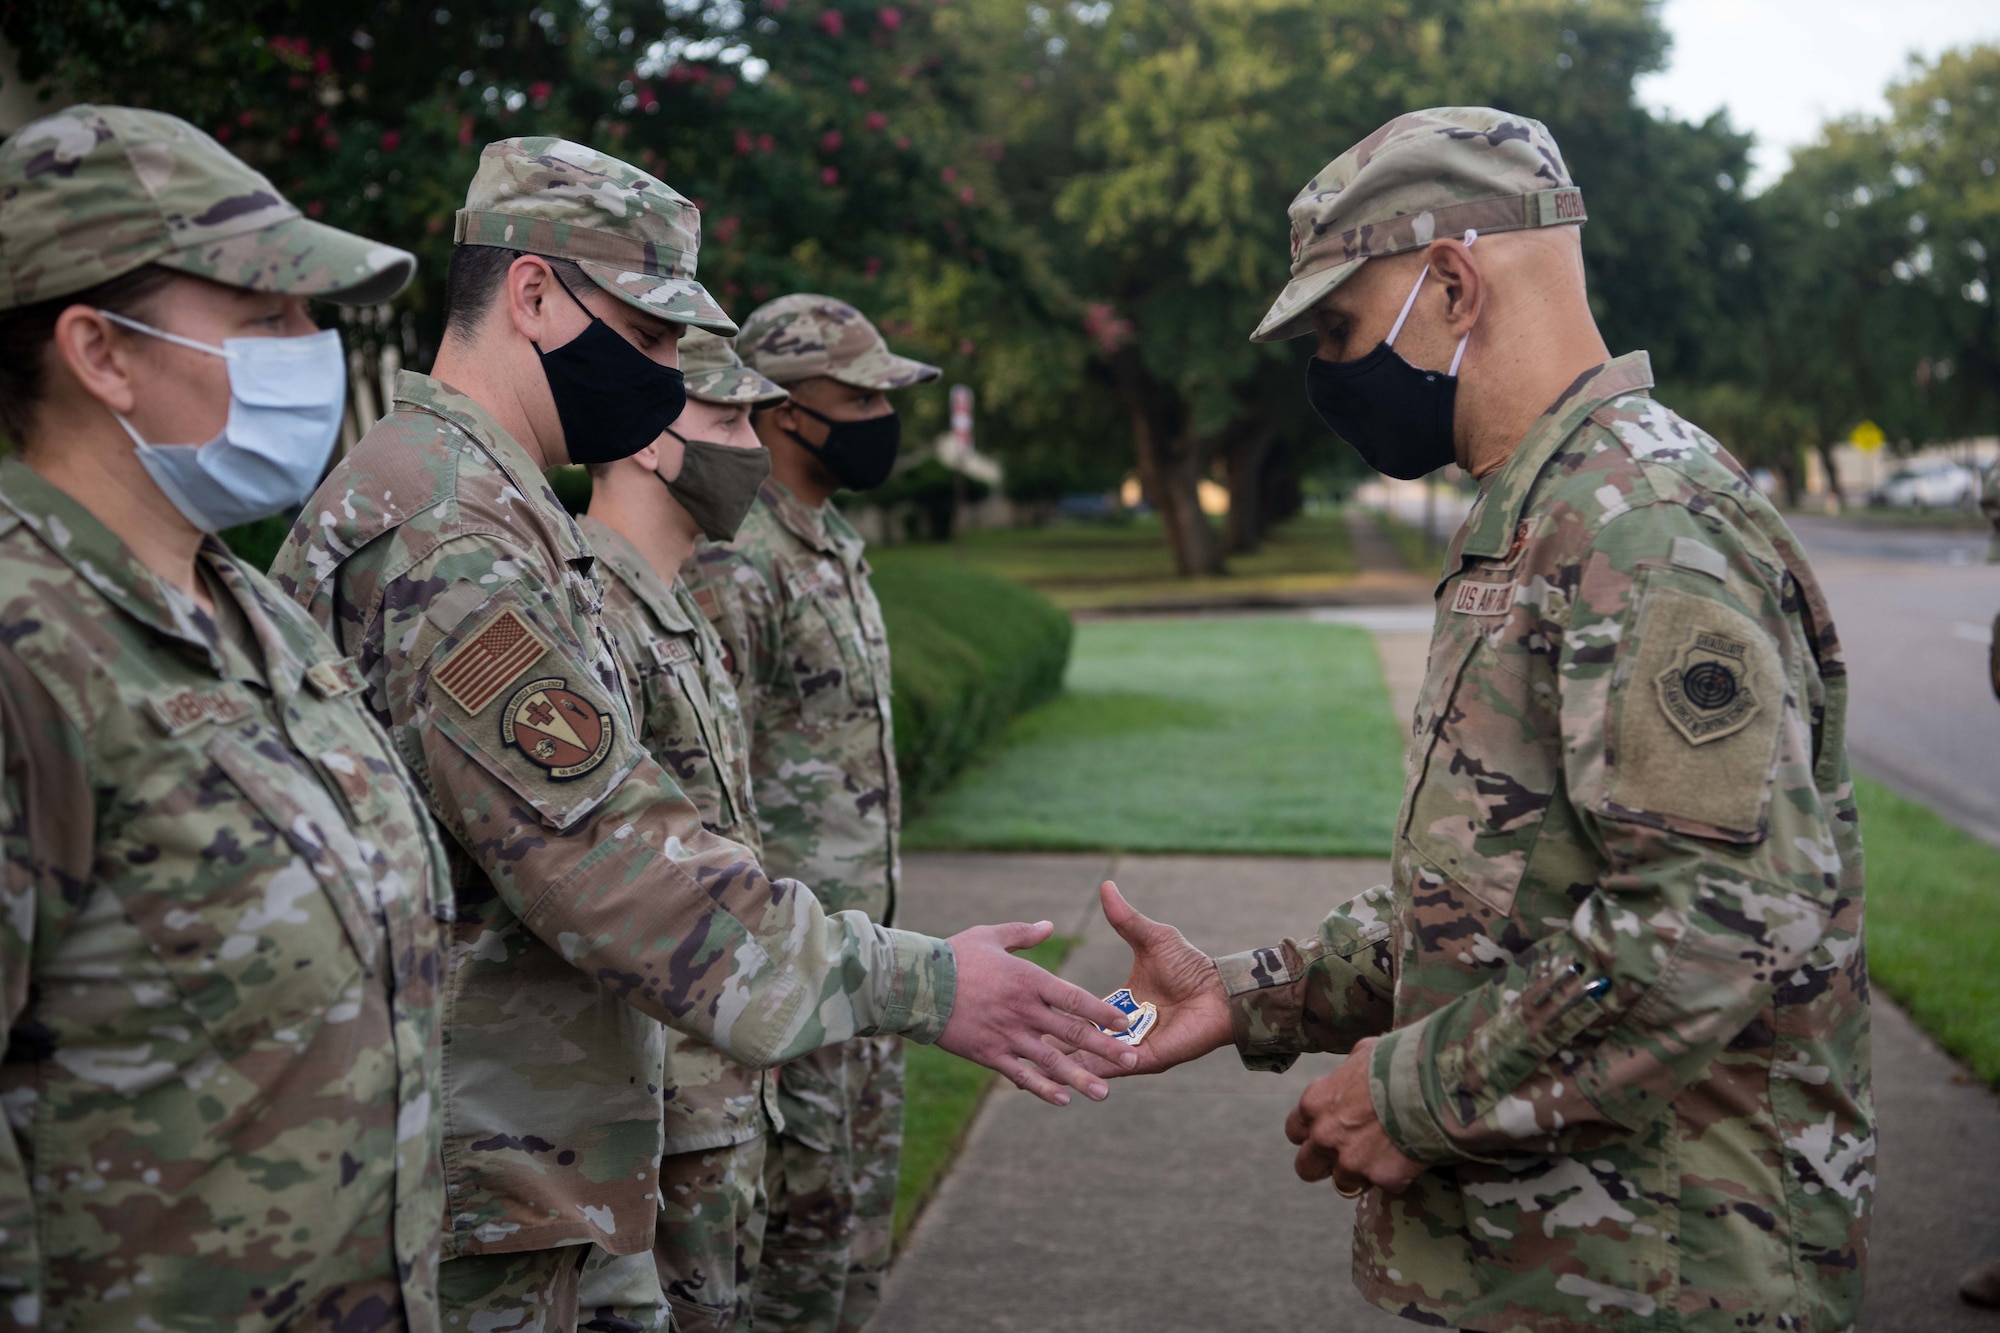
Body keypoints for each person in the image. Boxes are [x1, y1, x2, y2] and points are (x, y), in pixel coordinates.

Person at [268, 138, 1135, 1331]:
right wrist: (926, 980)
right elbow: (624, 874)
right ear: (531, 294)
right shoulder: (446, 538)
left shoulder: (487, 511)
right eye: (654, 336)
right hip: (476, 1196)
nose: (673, 378)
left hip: (526, 1172)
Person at [1092, 107, 1872, 1332]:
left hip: (1665, 1275)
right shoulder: (1551, 511)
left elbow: (1708, 925)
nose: (1329, 373)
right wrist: (1250, 992)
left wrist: (1405, 1095)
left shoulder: (1639, 526)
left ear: (1450, 283)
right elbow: (1504, 899)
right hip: (1566, 1268)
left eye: (1341, 328)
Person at [0, 105, 451, 1330]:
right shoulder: (25, 642)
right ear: (100, 350)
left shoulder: (253, 609)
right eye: (266, 316)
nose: (310, 347)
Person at [684, 295, 936, 1333]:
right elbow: (707, 790)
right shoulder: (735, 560)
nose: (880, 412)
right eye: (857, 394)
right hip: (787, 978)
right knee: (786, 1252)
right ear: (783, 410)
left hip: (864, 962)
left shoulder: (829, 540)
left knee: (850, 1245)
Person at [573, 328, 790, 1332]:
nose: (753, 445)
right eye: (729, 420)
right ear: (654, 439)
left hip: (720, 1084)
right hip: (659, 1115)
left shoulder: (674, 604)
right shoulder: (593, 617)